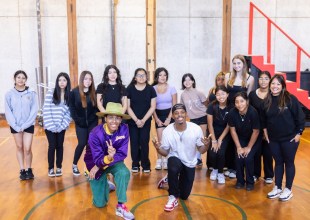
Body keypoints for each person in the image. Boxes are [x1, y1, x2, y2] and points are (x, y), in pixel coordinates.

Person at [153, 103, 210, 212]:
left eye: (182, 112)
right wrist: (157, 148)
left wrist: (207, 145)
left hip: (189, 162)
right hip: (175, 159)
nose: (179, 115)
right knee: (173, 167)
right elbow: (165, 153)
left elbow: (201, 150)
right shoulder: (167, 131)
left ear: (186, 114)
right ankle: (172, 197)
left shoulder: (195, 129)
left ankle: (169, 178)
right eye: (176, 113)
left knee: (184, 196)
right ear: (173, 116)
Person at [84, 102, 134, 220]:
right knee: (100, 204)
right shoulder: (95, 134)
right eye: (111, 117)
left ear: (121, 119)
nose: (114, 121)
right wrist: (103, 162)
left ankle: (121, 206)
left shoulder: (124, 130)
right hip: (94, 164)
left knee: (124, 172)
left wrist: (110, 158)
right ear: (105, 118)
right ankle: (107, 184)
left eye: (117, 118)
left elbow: (122, 154)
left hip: (113, 161)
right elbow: (96, 159)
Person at [261, 74, 305, 201]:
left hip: (289, 139)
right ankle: (278, 187)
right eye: (273, 84)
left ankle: (288, 189)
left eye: (278, 84)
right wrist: (266, 133)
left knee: (289, 163)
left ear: (283, 86)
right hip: (273, 139)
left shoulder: (290, 99)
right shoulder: (267, 100)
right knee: (278, 162)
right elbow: (263, 119)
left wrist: (299, 133)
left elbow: (300, 117)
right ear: (270, 85)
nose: (275, 86)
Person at [224, 55, 254, 178]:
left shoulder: (250, 78)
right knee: (230, 140)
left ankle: (238, 169)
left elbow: (247, 97)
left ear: (243, 64)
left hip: (241, 111)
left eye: (239, 63)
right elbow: (225, 95)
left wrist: (243, 112)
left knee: (239, 138)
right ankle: (230, 167)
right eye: (234, 63)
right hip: (229, 110)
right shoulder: (227, 76)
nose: (236, 66)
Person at [5, 70, 38, 180]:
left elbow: (34, 110)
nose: (21, 79)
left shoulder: (31, 92)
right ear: (14, 79)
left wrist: (26, 124)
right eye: (18, 77)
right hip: (15, 125)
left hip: (28, 124)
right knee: (19, 147)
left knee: (27, 148)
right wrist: (15, 125)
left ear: (26, 80)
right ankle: (22, 170)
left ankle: (29, 169)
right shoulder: (9, 94)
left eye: (23, 78)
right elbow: (8, 111)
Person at [228, 92, 260, 191]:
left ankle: (250, 182)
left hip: (253, 138)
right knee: (239, 157)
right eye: (236, 102)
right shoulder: (232, 113)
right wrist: (238, 147)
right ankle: (240, 181)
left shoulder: (253, 112)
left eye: (242, 101)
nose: (239, 104)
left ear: (247, 101)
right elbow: (232, 130)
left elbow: (256, 131)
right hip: (240, 138)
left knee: (248, 157)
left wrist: (248, 147)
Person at [127, 68, 156, 173]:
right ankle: (135, 164)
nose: (141, 77)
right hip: (133, 121)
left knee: (144, 142)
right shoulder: (130, 89)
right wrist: (136, 120)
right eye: (139, 75)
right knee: (134, 142)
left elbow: (152, 107)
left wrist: (143, 120)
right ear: (135, 77)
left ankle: (145, 164)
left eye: (143, 75)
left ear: (146, 77)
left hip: (146, 121)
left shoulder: (150, 89)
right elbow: (128, 107)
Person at [69, 71, 98, 175]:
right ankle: (74, 165)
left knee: (90, 144)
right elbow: (71, 108)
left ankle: (88, 167)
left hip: (91, 123)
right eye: (86, 79)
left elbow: (96, 108)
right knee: (81, 143)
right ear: (81, 79)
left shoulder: (93, 92)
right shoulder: (74, 92)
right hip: (80, 123)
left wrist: (93, 119)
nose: (88, 81)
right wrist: (77, 120)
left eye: (90, 79)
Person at [43, 72, 71, 177]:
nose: (62, 82)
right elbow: (46, 109)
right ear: (57, 82)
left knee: (60, 146)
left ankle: (59, 167)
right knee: (52, 146)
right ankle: (50, 168)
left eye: (64, 80)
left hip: (61, 126)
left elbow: (69, 113)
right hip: (50, 126)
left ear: (67, 82)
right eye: (60, 80)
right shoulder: (51, 92)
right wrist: (52, 126)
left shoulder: (69, 95)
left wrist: (61, 126)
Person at [249, 71, 274, 184]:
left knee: (268, 153)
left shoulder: (273, 94)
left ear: (270, 80)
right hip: (255, 128)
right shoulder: (252, 94)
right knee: (256, 152)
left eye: (266, 78)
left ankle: (269, 175)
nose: (263, 81)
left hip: (269, 129)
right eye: (261, 78)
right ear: (258, 80)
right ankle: (255, 173)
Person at [180, 73, 208, 167]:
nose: (187, 82)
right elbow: (182, 108)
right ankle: (197, 158)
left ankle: (199, 158)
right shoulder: (183, 94)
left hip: (202, 116)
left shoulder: (199, 92)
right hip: (192, 118)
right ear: (183, 83)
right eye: (185, 80)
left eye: (189, 80)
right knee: (194, 138)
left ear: (193, 81)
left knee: (202, 138)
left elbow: (206, 104)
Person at [152, 67, 177, 170]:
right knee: (160, 138)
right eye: (160, 75)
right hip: (158, 114)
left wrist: (169, 118)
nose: (162, 77)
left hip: (169, 114)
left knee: (169, 139)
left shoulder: (172, 88)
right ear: (157, 76)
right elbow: (152, 106)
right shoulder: (152, 88)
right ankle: (159, 160)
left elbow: (174, 105)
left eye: (164, 75)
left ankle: (166, 159)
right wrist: (156, 119)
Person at [207, 86, 231, 184]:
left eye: (223, 94)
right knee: (213, 152)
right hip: (213, 132)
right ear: (215, 96)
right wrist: (214, 140)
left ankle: (220, 172)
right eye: (218, 94)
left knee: (221, 152)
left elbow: (229, 125)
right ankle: (215, 169)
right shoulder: (211, 106)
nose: (220, 96)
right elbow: (210, 124)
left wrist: (220, 139)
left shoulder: (231, 106)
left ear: (227, 94)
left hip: (225, 133)